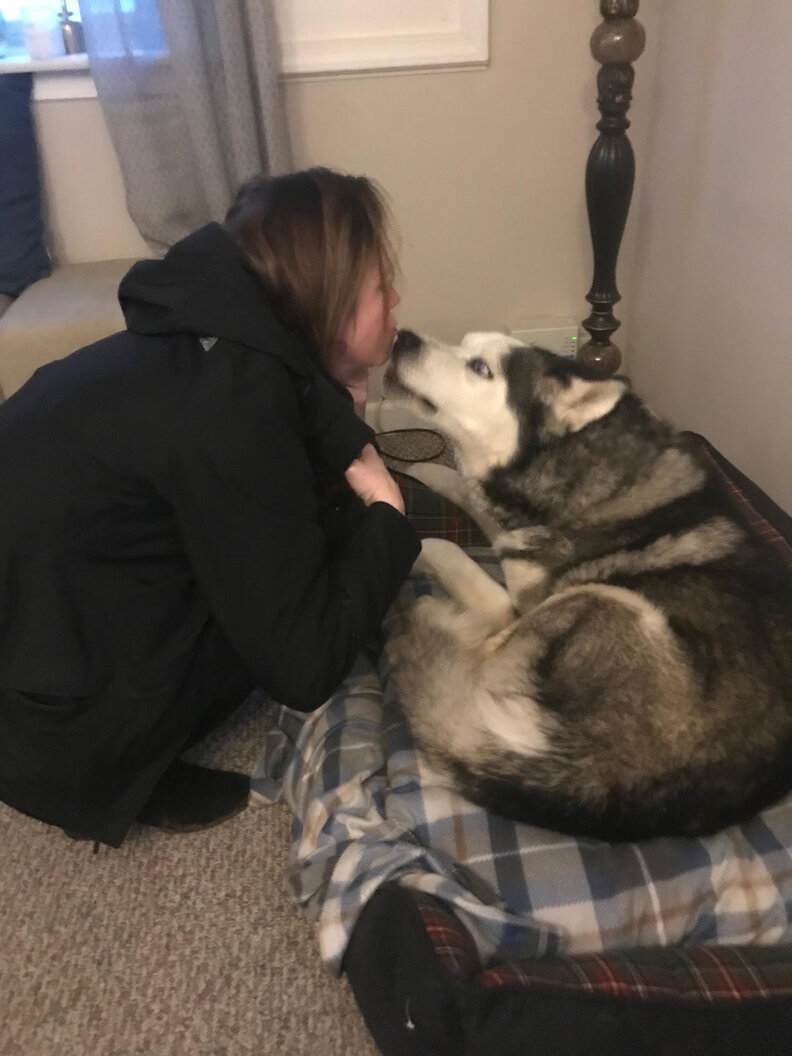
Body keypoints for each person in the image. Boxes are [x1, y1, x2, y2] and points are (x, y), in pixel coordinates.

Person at [0, 167, 420, 848]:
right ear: (334, 299)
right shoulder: (233, 409)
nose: (397, 298)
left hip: (46, 585)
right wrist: (388, 511)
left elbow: (300, 444)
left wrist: (340, 399)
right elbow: (305, 664)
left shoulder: (224, 328)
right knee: (298, 592)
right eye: (382, 285)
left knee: (301, 533)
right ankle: (119, 766)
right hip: (46, 686)